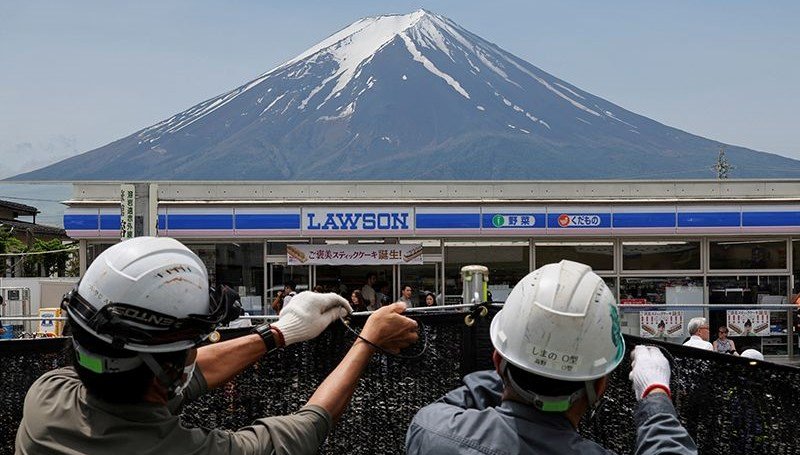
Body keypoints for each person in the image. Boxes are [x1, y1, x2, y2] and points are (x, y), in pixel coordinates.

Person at [16, 237, 418, 455]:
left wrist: (283, 332)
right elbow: (301, 431)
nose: (198, 353)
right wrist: (368, 340)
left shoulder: (47, 398)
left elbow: (178, 374)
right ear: (165, 370)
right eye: (194, 344)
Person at [406, 260, 697, 454]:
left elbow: (466, 397)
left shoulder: (432, 433)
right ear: (599, 387)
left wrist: (520, 356)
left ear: (497, 363)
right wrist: (655, 395)